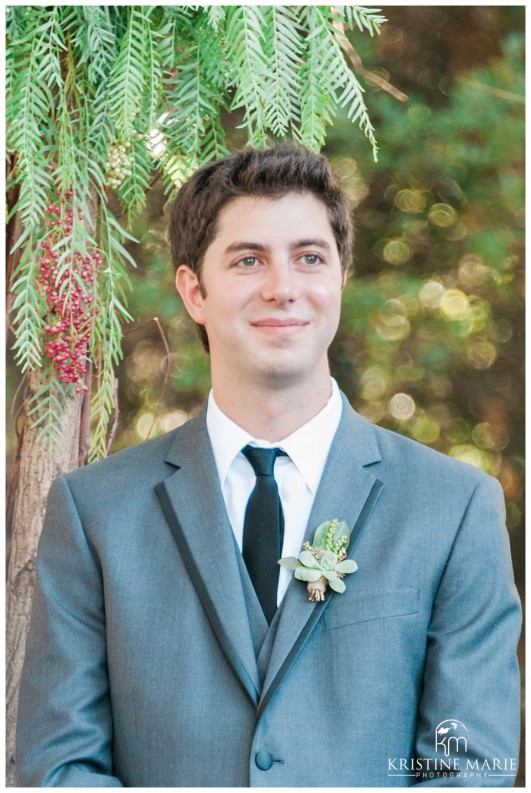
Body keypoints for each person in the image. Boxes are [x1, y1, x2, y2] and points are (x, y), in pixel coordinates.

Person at [16, 144, 521, 787]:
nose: (283, 287)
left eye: (310, 258)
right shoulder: (94, 512)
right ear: (194, 291)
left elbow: (469, 770)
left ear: (339, 279)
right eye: (249, 260)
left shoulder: (454, 508)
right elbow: (59, 768)